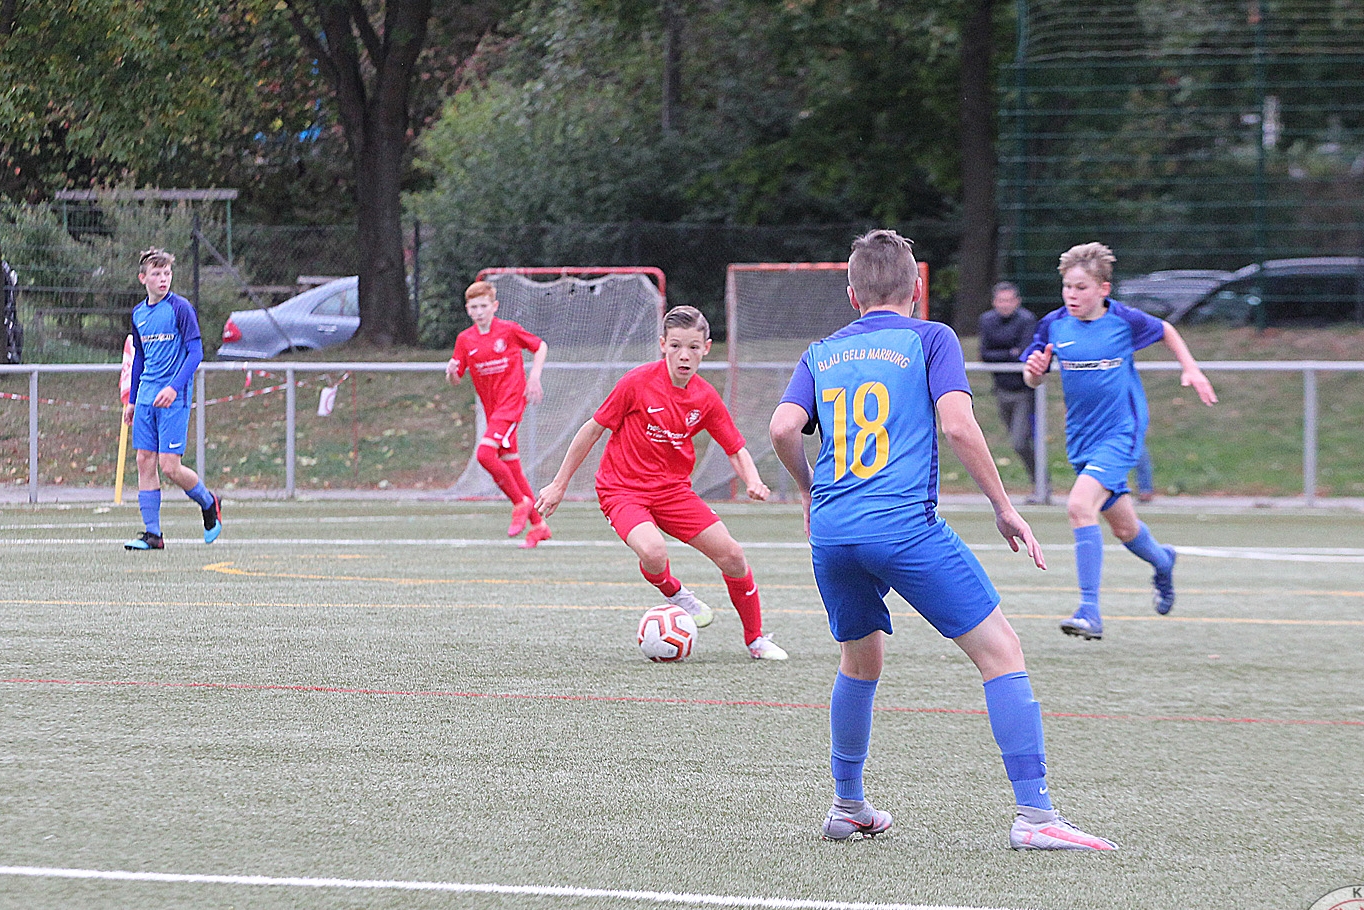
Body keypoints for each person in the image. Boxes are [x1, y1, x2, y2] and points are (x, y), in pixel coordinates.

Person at [770, 229, 1115, 850]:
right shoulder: (932, 338)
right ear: (917, 289)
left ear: (852, 295)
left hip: (834, 533)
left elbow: (782, 428)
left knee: (859, 661)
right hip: (901, 526)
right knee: (1001, 652)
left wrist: (808, 491)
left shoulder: (821, 351)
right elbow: (957, 425)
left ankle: (848, 805)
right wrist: (1004, 507)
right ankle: (1035, 816)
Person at [537, 305, 788, 661]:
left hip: (673, 492)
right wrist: (559, 484)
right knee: (654, 552)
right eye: (675, 346)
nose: (684, 355)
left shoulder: (705, 398)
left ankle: (756, 640)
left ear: (706, 348)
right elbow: (592, 430)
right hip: (621, 490)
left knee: (733, 555)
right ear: (662, 345)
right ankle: (675, 592)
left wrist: (752, 479)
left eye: (693, 347)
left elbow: (734, 448)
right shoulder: (636, 383)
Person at [1021, 242, 1217, 640]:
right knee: (1125, 529)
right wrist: (1035, 371)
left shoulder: (1124, 321)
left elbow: (1166, 330)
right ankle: (1163, 562)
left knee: (1079, 506)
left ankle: (1089, 612)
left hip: (1121, 433)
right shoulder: (1053, 325)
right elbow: (1032, 377)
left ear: (1103, 289)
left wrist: (1191, 368)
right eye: (1067, 287)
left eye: (1081, 288)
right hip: (1081, 439)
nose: (1072, 295)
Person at [123, 248, 221, 550]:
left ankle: (209, 502)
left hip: (173, 398)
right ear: (143, 278)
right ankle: (153, 535)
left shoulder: (180, 308)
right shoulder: (138, 314)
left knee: (170, 467)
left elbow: (196, 352)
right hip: (147, 396)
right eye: (156, 274)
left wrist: (175, 387)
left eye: (167, 273)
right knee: (144, 460)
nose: (163, 279)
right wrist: (133, 400)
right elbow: (139, 358)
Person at [446, 280, 552, 548]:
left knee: (484, 454)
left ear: (494, 306)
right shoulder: (465, 339)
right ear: (468, 309)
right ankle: (539, 526)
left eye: (484, 306)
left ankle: (520, 503)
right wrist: (451, 373)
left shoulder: (508, 330)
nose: (479, 311)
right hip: (492, 410)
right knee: (512, 466)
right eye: (474, 307)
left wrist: (534, 377)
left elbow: (540, 346)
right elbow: (456, 378)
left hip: (512, 403)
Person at [978, 282, 1039, 491]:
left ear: (1017, 302)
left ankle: (1041, 483)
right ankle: (1038, 483)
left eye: (1009, 300)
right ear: (994, 302)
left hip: (1024, 391)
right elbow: (985, 354)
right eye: (1001, 300)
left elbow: (1023, 353)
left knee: (1021, 441)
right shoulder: (987, 320)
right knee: (1017, 440)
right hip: (1001, 389)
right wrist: (1008, 353)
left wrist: (1009, 354)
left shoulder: (1027, 320)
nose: (1005, 305)